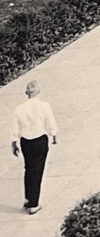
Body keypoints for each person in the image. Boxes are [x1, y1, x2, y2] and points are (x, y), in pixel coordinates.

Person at [12, 80, 58, 215]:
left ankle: (28, 199)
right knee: (37, 171)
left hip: (25, 142)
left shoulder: (19, 109)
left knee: (29, 169)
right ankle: (34, 204)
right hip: (39, 140)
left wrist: (14, 142)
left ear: (27, 93)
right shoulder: (44, 106)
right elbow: (50, 121)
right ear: (38, 92)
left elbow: (15, 128)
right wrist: (53, 134)